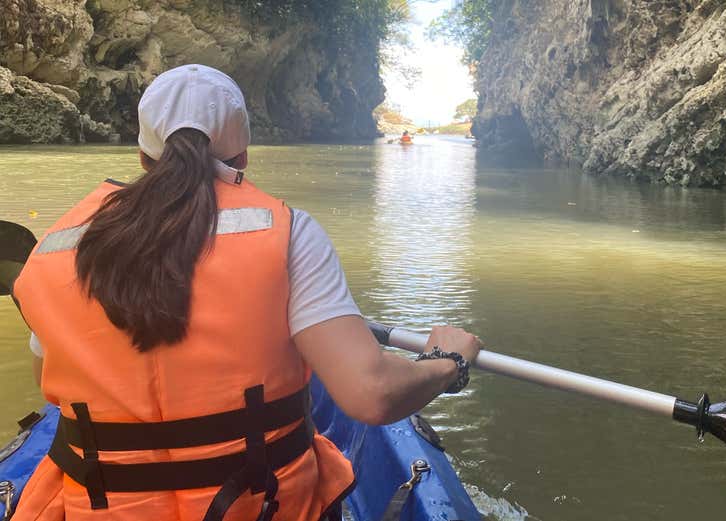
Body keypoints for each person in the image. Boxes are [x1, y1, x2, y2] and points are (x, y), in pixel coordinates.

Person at [12, 64, 481, 521]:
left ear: (142, 156)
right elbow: (371, 396)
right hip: (262, 506)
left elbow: (48, 383)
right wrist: (447, 362)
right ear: (242, 156)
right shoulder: (289, 233)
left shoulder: (56, 247)